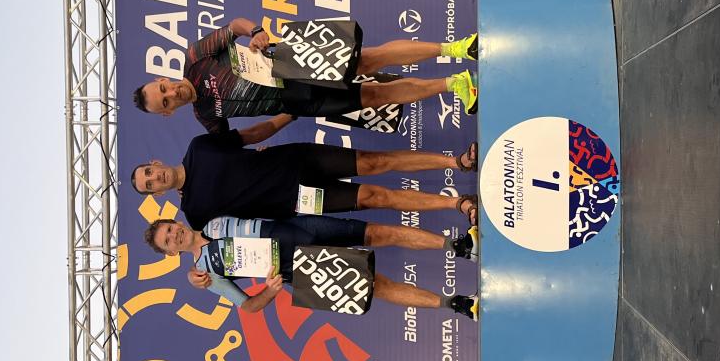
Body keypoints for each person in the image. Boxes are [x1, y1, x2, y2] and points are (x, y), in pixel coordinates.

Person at [132, 17, 478, 133]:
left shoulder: (195, 58)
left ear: (163, 79)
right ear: (167, 113)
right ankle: (455, 84)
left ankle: (457, 48)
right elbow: (238, 141)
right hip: (297, 101)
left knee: (368, 61)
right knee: (375, 96)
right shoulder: (206, 116)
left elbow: (234, 26)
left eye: (164, 88)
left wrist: (256, 32)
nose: (171, 93)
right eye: (166, 102)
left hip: (290, 62)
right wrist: (280, 121)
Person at [131, 122, 479, 229]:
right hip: (298, 201)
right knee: (377, 198)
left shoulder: (199, 146)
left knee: (376, 162)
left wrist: (288, 114)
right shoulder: (194, 215)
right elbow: (214, 245)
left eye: (149, 172)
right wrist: (200, 276)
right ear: (157, 195)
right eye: (149, 186)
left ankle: (457, 162)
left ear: (155, 162)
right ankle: (457, 204)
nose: (154, 179)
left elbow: (249, 136)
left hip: (297, 160)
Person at [144, 216, 480, 319]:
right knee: (378, 286)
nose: (175, 236)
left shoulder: (211, 219)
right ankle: (457, 304)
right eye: (168, 241)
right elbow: (248, 307)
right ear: (171, 253)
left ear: (176, 222)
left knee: (379, 232)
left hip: (301, 229)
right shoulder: (205, 274)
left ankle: (459, 246)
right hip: (300, 268)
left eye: (170, 229)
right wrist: (270, 291)